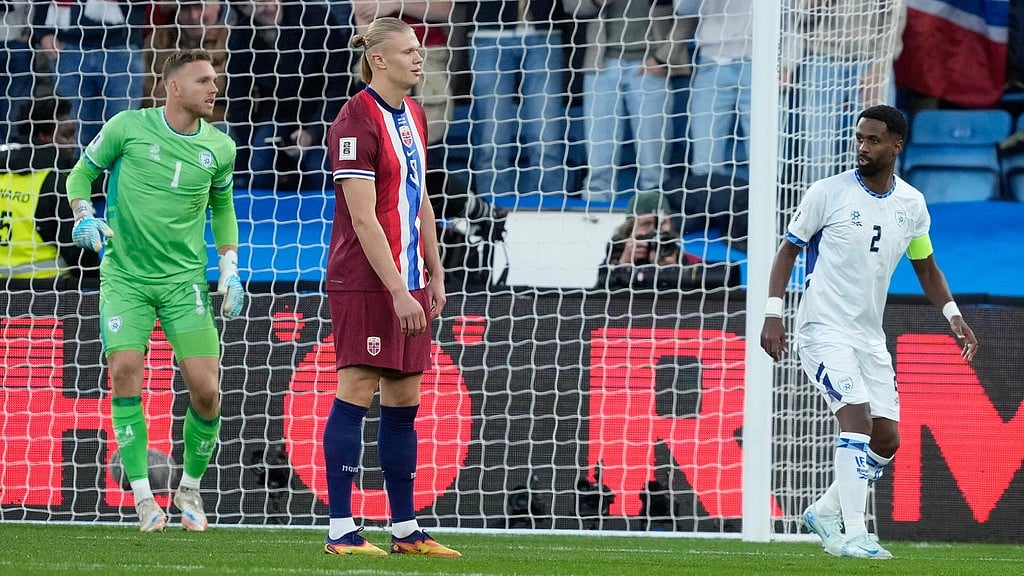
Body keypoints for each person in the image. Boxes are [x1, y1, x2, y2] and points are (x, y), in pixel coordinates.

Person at [760, 105, 979, 559]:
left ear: (896, 146)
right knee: (857, 423)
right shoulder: (827, 193)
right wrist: (773, 313)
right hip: (823, 329)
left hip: (868, 336)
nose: (862, 147)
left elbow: (926, 266)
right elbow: (788, 252)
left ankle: (825, 510)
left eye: (873, 140)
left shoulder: (911, 204)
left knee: (886, 439)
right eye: (859, 138)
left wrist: (953, 314)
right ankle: (855, 533)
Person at [65, 49, 244, 532]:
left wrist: (229, 266)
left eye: (215, 79)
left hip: (184, 282)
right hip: (125, 277)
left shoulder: (221, 148)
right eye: (203, 80)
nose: (214, 88)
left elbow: (223, 208)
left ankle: (189, 488)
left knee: (207, 392)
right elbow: (80, 174)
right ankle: (144, 498)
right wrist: (84, 215)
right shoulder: (127, 126)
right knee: (124, 371)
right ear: (173, 87)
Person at [322, 17, 458, 557]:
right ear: (378, 59)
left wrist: (434, 271)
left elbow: (419, 198)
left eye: (419, 50)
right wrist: (399, 290)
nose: (418, 58)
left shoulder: (416, 115)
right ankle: (341, 529)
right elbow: (362, 218)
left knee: (404, 397)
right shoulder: (354, 120)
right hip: (366, 281)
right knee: (356, 389)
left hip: (411, 277)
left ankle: (405, 529)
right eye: (407, 51)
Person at [565, 0, 692, 203]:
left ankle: (653, 211)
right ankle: (595, 210)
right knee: (598, 160)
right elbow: (573, 8)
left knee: (653, 163)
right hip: (601, 65)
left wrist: (663, 58)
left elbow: (689, 12)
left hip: (650, 65)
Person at [225, 0, 353, 192]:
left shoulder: (316, 19)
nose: (268, 8)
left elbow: (338, 88)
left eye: (266, 1)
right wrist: (251, 137)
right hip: (275, 117)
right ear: (242, 9)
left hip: (324, 116)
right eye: (256, 5)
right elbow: (238, 100)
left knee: (321, 171)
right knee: (258, 164)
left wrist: (313, 132)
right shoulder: (240, 37)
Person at [464, 0, 570, 196]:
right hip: (488, 29)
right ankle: (493, 209)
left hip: (545, 28)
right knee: (491, 140)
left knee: (547, 140)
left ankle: (550, 208)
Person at [1, 96, 100, 288]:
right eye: (66, 135)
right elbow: (80, 253)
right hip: (49, 294)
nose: (73, 144)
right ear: (43, 138)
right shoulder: (53, 185)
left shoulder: (5, 170)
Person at [31, 0, 147, 149]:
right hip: (67, 48)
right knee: (73, 134)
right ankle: (75, 165)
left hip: (122, 47)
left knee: (122, 133)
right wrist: (42, 32)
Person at [676, 0, 752, 181]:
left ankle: (771, 199)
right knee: (704, 158)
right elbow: (683, 9)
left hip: (761, 61)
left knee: (767, 153)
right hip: (712, 61)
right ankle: (706, 199)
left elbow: (789, 17)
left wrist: (787, 62)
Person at [144, 2, 229, 124]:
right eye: (184, 8)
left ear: (217, 5)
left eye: (200, 7)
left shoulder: (233, 38)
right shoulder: (158, 39)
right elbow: (147, 96)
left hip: (216, 122)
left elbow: (224, 85)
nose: (193, 16)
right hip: (162, 123)